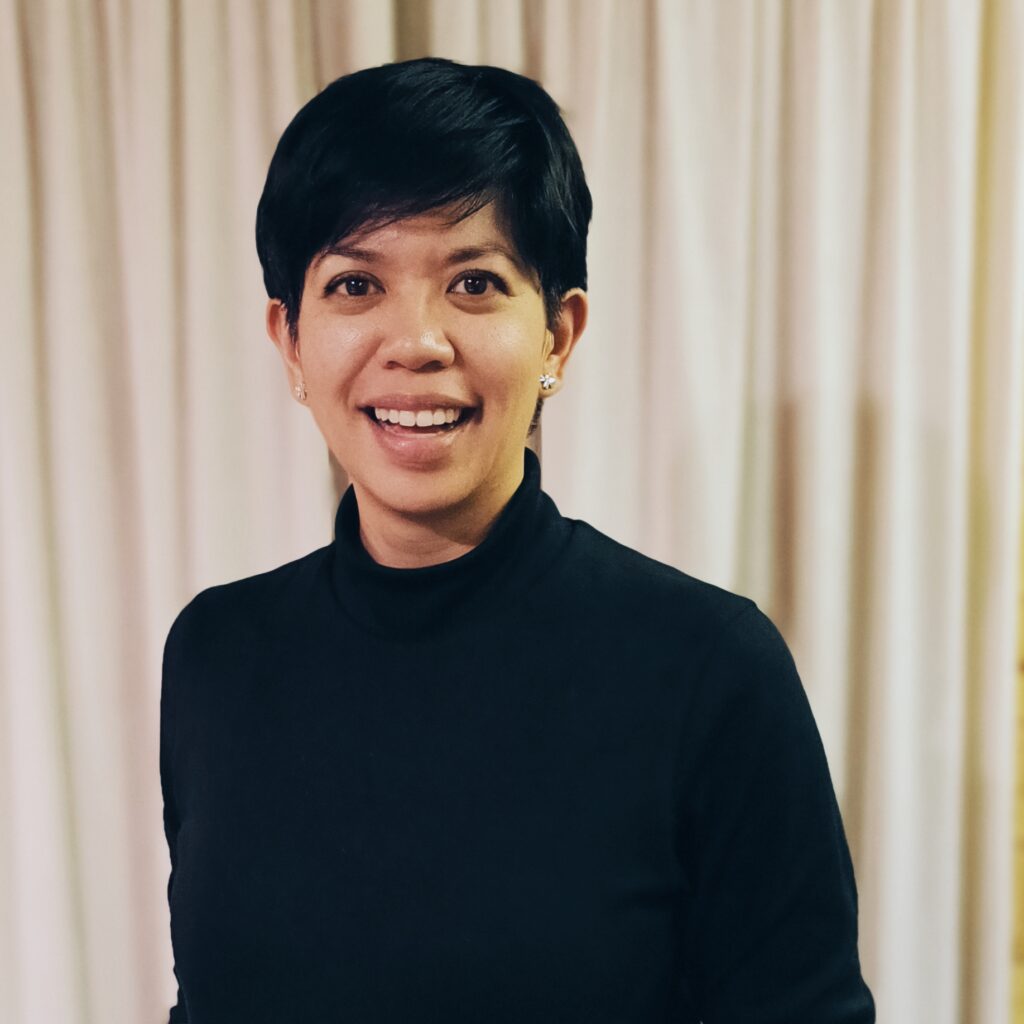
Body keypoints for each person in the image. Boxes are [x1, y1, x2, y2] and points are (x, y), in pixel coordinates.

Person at [160, 57, 875, 1023]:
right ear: (290, 341)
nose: (416, 342)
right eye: (356, 283)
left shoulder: (708, 668)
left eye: (475, 282)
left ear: (558, 336)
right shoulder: (216, 655)